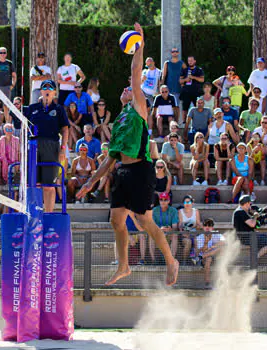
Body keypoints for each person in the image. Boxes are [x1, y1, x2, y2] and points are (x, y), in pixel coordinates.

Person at [76, 24, 178, 286]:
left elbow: (135, 74)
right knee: (116, 219)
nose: (126, 89)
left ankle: (170, 260)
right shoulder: (119, 120)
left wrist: (140, 47)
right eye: (123, 89)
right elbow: (110, 158)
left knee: (144, 220)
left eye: (129, 88)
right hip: (122, 170)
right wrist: (90, 182)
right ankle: (124, 266)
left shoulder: (139, 107)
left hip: (142, 168)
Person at [25, 79, 69, 212]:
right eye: (45, 88)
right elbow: (23, 127)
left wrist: (63, 149)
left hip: (51, 146)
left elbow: (65, 129)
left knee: (49, 185)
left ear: (55, 92)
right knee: (33, 184)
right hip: (33, 146)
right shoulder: (32, 108)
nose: (47, 90)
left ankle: (48, 214)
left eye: (50, 88)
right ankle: (34, 213)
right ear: (41, 91)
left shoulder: (58, 109)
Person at [195, 218, 225, 289]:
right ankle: (207, 283)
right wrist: (206, 242)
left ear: (212, 227)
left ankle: (222, 282)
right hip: (204, 259)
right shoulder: (199, 237)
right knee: (208, 258)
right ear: (203, 227)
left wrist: (211, 247)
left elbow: (223, 242)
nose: (207, 227)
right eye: (205, 225)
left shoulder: (216, 234)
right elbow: (200, 251)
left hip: (215, 256)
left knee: (222, 248)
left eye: (209, 225)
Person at [179, 56, 205, 125]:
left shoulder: (199, 70)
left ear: (194, 61)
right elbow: (180, 81)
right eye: (189, 61)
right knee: (185, 108)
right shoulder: (184, 70)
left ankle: (199, 121)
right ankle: (184, 123)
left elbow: (202, 80)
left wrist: (193, 77)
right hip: (186, 92)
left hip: (196, 92)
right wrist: (185, 80)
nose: (190, 62)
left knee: (198, 107)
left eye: (191, 60)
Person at [0, 46, 17, 121]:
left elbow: (14, 75)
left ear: (6, 54)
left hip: (7, 87)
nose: (3, 54)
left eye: (4, 52)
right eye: (1, 52)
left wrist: (12, 85)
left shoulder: (9, 63)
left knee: (6, 106)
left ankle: (7, 122)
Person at [177, 194, 201, 264]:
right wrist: (183, 233)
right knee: (188, 242)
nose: (187, 204)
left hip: (194, 234)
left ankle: (197, 261)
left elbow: (198, 224)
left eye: (188, 202)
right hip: (184, 235)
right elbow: (180, 225)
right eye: (185, 202)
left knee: (197, 241)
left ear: (192, 203)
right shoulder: (180, 211)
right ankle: (184, 261)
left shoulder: (196, 211)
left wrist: (196, 227)